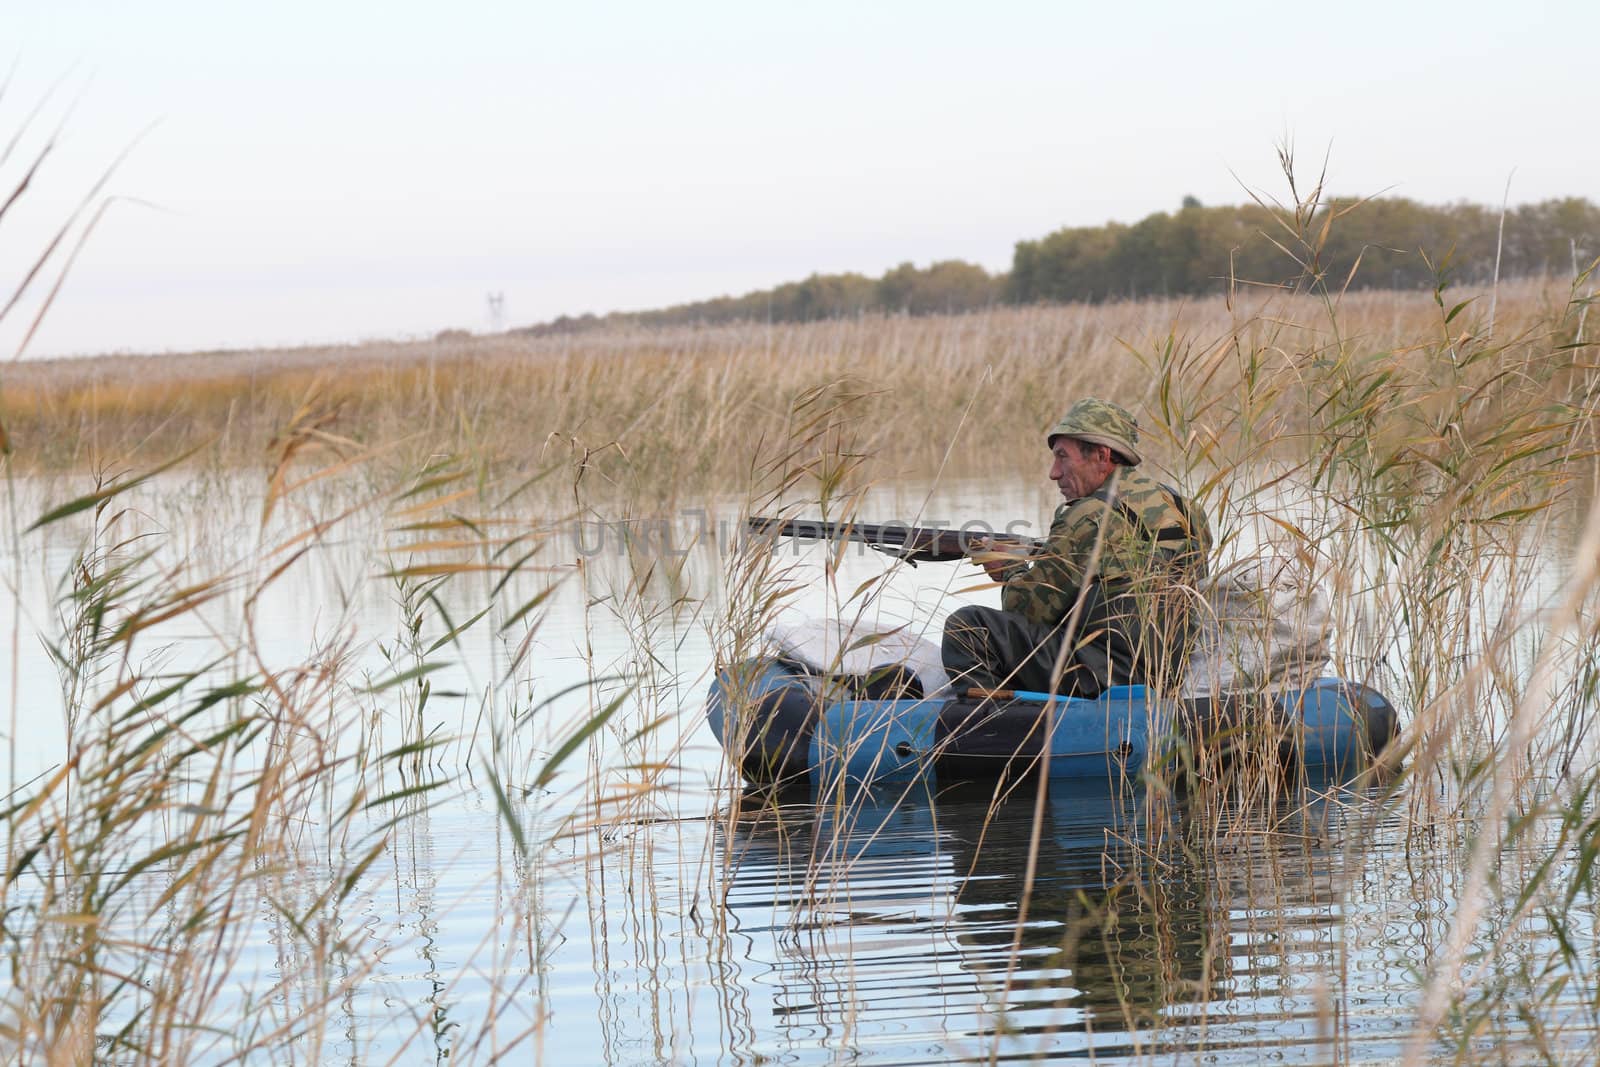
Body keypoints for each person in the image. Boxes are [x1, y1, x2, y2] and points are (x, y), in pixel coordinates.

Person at [941, 398, 1212, 697]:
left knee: (968, 627)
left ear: (1102, 455)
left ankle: (994, 729)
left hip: (1106, 675)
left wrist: (1010, 568)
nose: (1054, 473)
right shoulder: (1186, 508)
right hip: (1172, 671)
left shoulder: (1089, 515)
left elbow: (1026, 611)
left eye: (1063, 457)